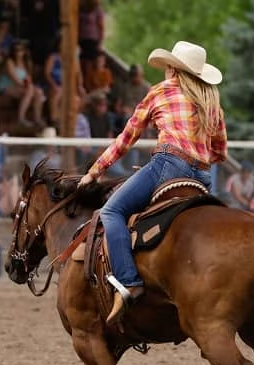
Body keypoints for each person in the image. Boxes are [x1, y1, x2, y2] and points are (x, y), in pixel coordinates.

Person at [78, 41, 227, 324]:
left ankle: (128, 282)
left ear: (173, 68)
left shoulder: (161, 91)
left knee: (112, 211)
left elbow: (127, 137)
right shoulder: (211, 100)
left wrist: (95, 171)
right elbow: (220, 151)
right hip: (203, 176)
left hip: (168, 165)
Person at [0, 40, 45, 127]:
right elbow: (14, 78)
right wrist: (27, 86)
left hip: (22, 87)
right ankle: (21, 118)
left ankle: (37, 118)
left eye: (21, 50)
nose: (19, 52)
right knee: (29, 90)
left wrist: (29, 85)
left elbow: (29, 78)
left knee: (38, 91)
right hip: (8, 86)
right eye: (16, 50)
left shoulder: (26, 63)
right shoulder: (9, 62)